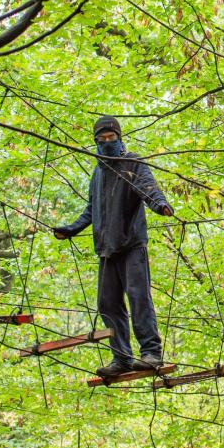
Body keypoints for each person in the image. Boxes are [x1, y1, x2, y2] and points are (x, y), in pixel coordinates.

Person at [53, 116, 174, 378]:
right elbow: (91, 210)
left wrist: (160, 205)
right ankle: (121, 358)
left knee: (138, 297)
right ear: (95, 141)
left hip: (131, 243)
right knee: (107, 303)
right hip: (107, 249)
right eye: (102, 139)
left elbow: (148, 189)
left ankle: (151, 353)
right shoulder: (98, 172)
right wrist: (71, 229)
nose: (107, 142)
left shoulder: (131, 163)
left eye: (112, 138)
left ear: (119, 138)